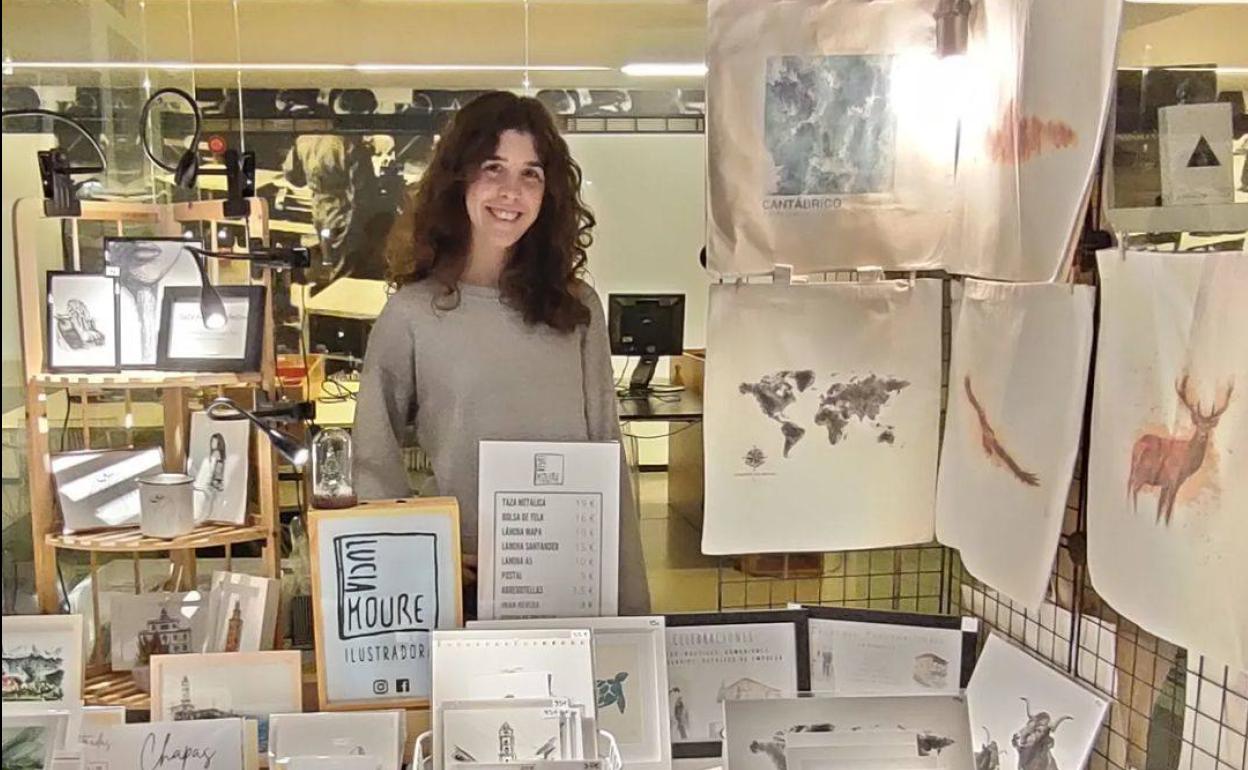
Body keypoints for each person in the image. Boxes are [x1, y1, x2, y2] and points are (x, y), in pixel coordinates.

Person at [352, 91, 650, 615]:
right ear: (459, 177)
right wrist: (428, 546)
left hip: (572, 581)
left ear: (548, 191)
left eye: (531, 173)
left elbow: (607, 457)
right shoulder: (413, 314)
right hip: (464, 587)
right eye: (494, 168)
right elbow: (372, 457)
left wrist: (631, 609)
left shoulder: (577, 309)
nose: (511, 191)